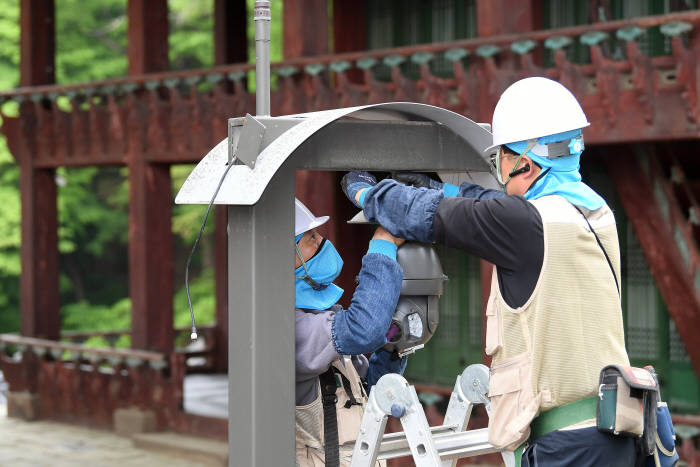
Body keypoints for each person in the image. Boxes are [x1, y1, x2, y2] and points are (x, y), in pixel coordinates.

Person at [340, 77, 634, 466]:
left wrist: (368, 194)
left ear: (526, 162)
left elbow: (429, 216)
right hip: (613, 430)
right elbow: (490, 206)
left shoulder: (525, 224)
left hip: (568, 448)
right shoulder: (595, 211)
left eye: (501, 161)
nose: (499, 172)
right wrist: (437, 188)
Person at [294, 197, 406, 466]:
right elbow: (362, 330)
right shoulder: (290, 329)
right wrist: (382, 247)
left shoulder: (321, 317)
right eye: (311, 237)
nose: (323, 242)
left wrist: (393, 344)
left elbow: (368, 390)